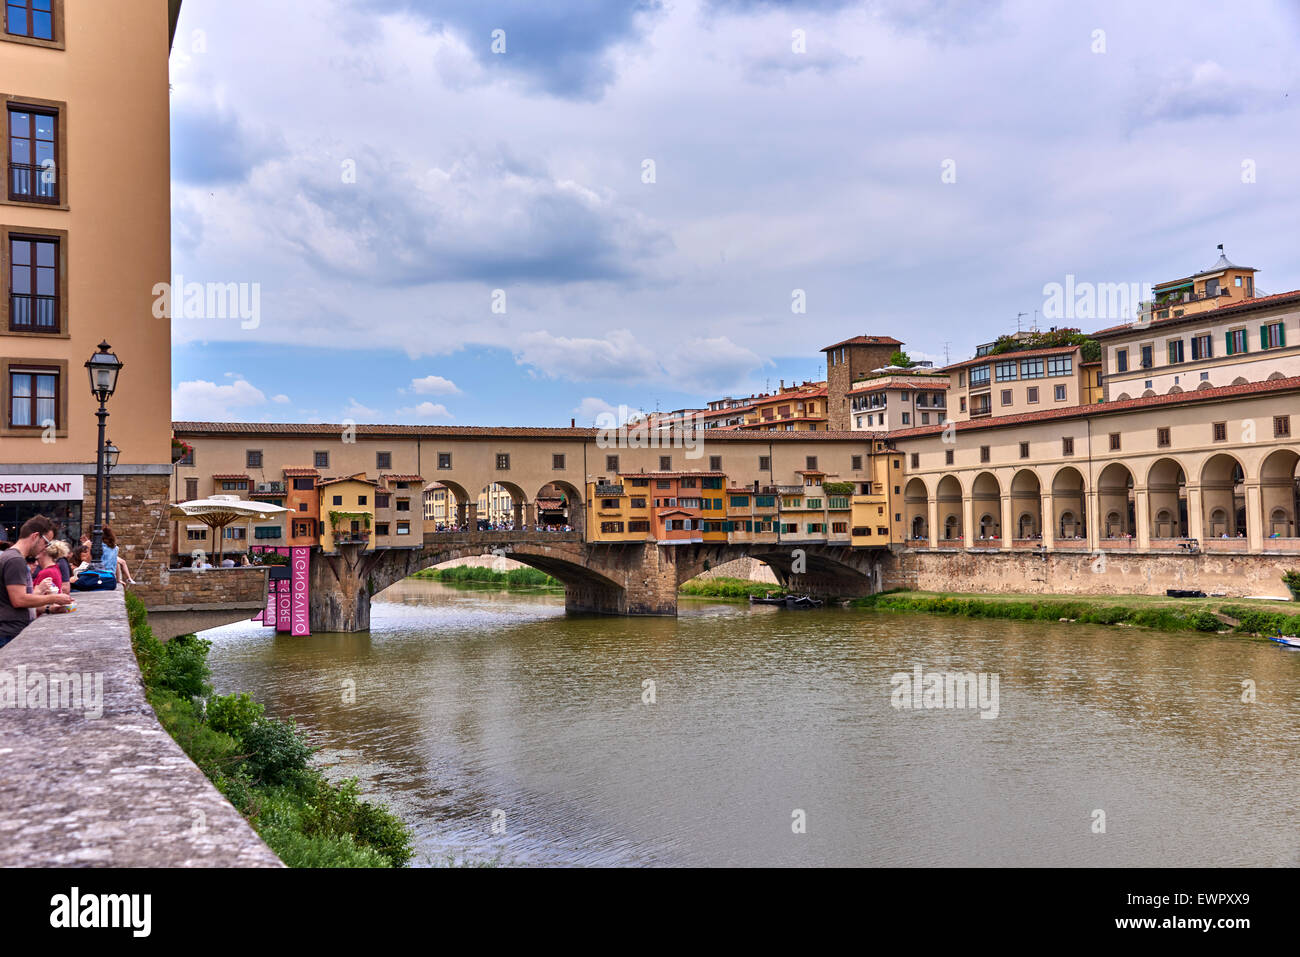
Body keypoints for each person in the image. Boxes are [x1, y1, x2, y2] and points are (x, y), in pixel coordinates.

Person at [1, 516, 73, 647]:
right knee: (19, 669)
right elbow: (19, 600)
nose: (46, 548)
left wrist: (49, 609)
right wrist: (54, 598)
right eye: (46, 542)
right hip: (9, 634)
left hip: (10, 632)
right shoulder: (15, 560)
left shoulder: (12, 557)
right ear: (35, 536)